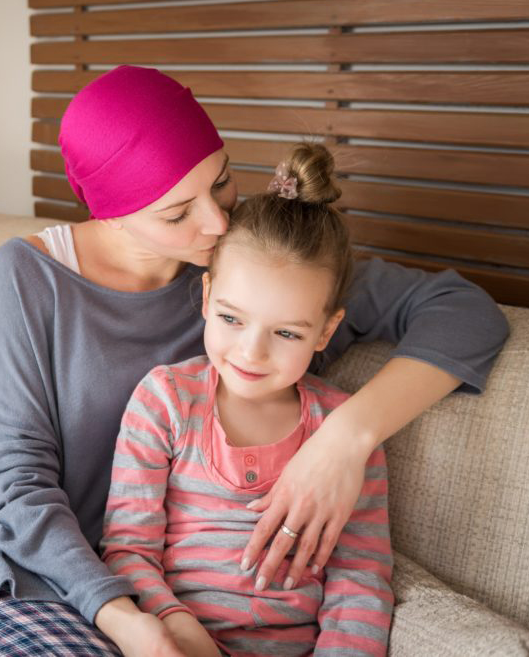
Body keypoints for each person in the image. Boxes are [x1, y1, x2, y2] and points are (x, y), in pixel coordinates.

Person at [0, 65, 507, 656]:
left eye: (221, 183)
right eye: (177, 212)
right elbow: (16, 487)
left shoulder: (253, 269)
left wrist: (345, 437)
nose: (217, 223)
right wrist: (131, 618)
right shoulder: (27, 276)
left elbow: (467, 314)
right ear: (110, 214)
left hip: (108, 586)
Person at [101, 143, 392, 657]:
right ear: (208, 297)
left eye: (286, 333)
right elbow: (128, 550)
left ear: (326, 331)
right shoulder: (165, 400)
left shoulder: (344, 430)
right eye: (232, 319)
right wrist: (172, 623)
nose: (251, 353)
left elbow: (361, 579)